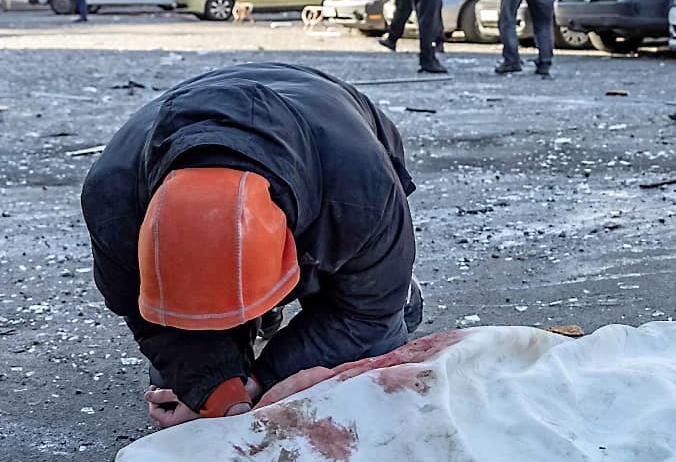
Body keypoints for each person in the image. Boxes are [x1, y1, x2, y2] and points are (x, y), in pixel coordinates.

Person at [82, 63, 424, 429]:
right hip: (266, 155)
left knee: (364, 359)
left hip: (334, 136)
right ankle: (246, 316)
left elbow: (364, 316)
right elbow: (142, 314)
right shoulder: (113, 204)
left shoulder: (364, 195)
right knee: (188, 397)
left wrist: (266, 380)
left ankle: (399, 288)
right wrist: (218, 391)